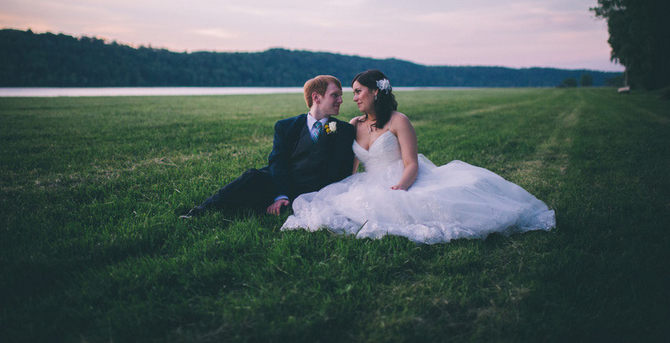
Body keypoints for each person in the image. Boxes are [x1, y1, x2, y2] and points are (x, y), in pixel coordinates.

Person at [281, 70, 556, 243]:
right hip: (368, 180)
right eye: (352, 93)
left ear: (375, 92)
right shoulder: (353, 124)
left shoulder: (399, 121)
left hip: (403, 177)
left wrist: (401, 187)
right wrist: (342, 188)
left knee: (429, 207)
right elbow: (352, 167)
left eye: (358, 92)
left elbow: (411, 163)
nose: (354, 98)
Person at [182, 75, 355, 217]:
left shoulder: (344, 130)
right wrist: (281, 194)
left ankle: (270, 206)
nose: (341, 100)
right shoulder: (286, 126)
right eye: (335, 95)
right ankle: (200, 211)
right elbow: (278, 161)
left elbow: (340, 170)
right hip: (283, 183)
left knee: (262, 201)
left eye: (341, 96)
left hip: (313, 190)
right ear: (316, 97)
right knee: (252, 177)